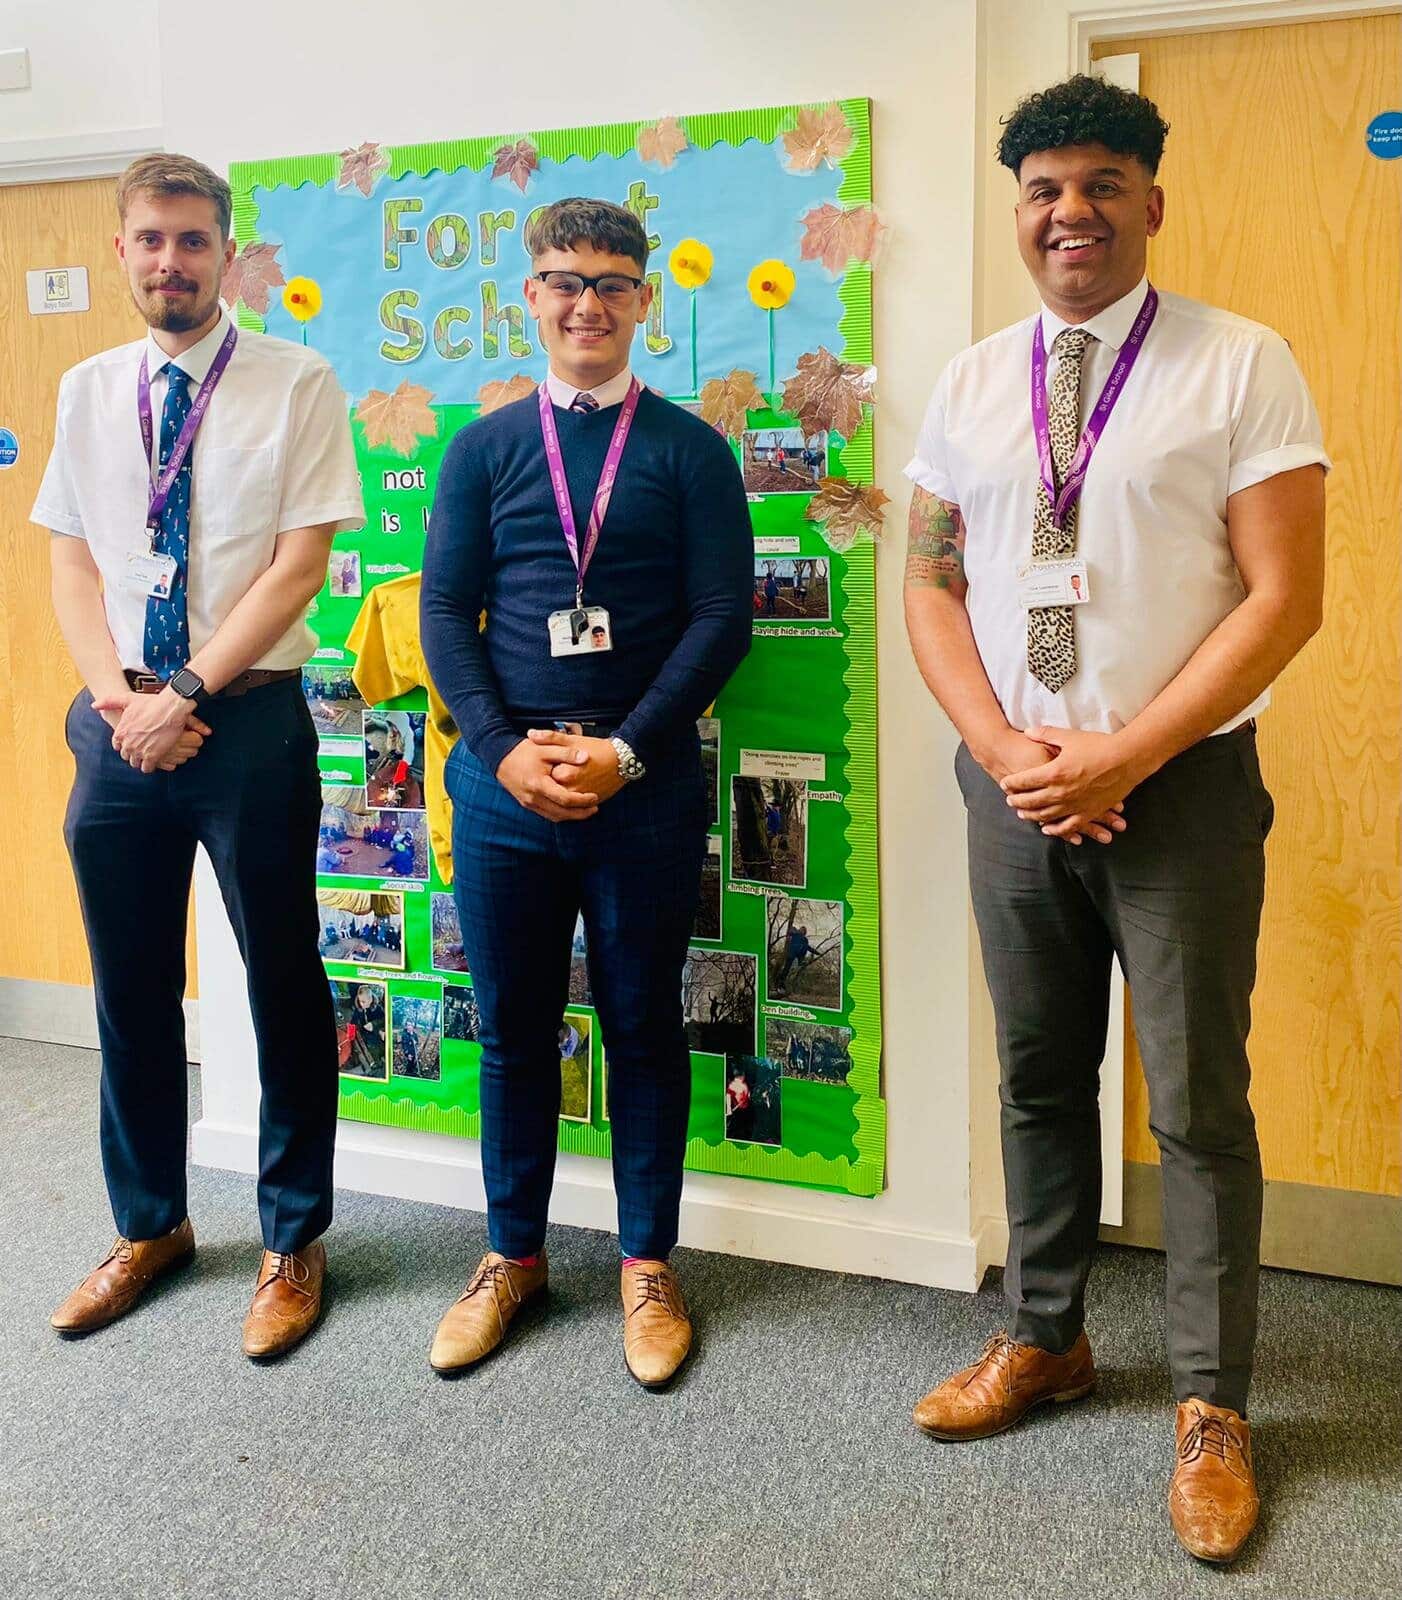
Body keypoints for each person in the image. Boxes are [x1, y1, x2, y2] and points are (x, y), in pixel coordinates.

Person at [902, 76, 1327, 1564]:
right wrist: (1008, 750)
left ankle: (1212, 1405)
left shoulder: (1240, 364)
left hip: (1179, 785)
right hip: (1013, 779)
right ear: (1015, 207)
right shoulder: (965, 386)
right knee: (1035, 1073)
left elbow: (1285, 597)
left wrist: (1119, 758)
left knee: (1194, 1100)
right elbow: (930, 582)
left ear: (1151, 198)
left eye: (1097, 183)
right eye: (1040, 188)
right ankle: (1047, 1337)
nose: (1066, 212)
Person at [32, 154, 365, 1358]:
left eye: (191, 240)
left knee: (283, 978)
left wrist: (183, 690)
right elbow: (70, 555)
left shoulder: (296, 380)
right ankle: (149, 1225)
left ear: (227, 252)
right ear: (121, 250)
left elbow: (298, 565)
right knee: (129, 985)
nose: (169, 260)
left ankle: (291, 1237)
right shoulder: (85, 388)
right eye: (149, 240)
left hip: (247, 724)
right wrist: (117, 699)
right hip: (116, 726)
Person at [421, 195, 752, 1389]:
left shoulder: (690, 451)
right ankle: (511, 1255)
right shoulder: (482, 447)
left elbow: (723, 620)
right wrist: (505, 749)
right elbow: (442, 615)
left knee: (642, 1026)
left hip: (642, 784)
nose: (586, 303)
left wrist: (628, 753)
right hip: (504, 788)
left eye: (612, 283)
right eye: (563, 280)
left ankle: (646, 1264)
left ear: (644, 301)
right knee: (512, 1032)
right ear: (529, 294)